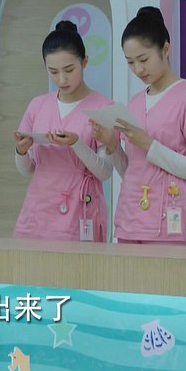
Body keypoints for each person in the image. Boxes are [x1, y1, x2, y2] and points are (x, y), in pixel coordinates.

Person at [92, 6, 186, 246]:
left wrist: (149, 144)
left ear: (165, 49)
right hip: (130, 221)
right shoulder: (135, 103)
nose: (138, 69)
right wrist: (112, 145)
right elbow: (133, 171)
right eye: (130, 62)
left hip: (170, 223)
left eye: (144, 59)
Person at [12, 20, 113, 241]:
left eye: (69, 70)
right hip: (38, 211)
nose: (62, 79)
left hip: (80, 211)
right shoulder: (37, 105)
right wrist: (21, 151)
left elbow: (105, 172)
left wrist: (76, 144)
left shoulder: (103, 108)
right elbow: (28, 170)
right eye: (53, 72)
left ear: (84, 62)